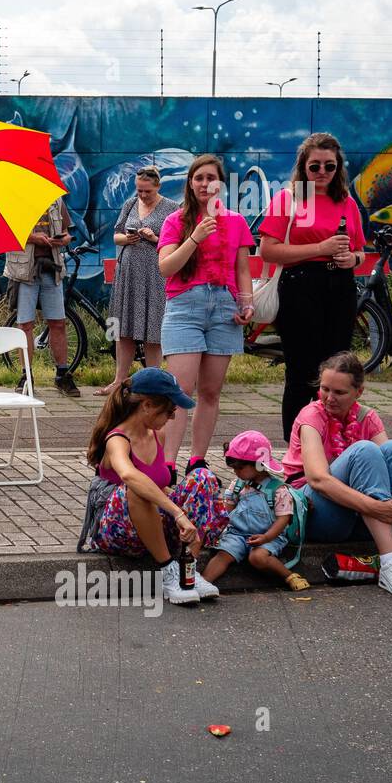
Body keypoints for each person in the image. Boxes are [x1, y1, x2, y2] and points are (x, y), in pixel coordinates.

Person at [281, 351, 392, 602]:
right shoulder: (311, 415)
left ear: (358, 392)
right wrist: (376, 507)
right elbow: (317, 479)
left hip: (363, 517)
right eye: (325, 389)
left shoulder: (366, 416)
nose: (329, 398)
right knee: (365, 451)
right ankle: (391, 562)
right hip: (319, 514)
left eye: (339, 393)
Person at [82, 368, 227, 604]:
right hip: (117, 531)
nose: (172, 417)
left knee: (203, 477)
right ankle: (167, 572)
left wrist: (183, 504)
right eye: (169, 411)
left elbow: (160, 487)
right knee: (137, 489)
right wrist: (177, 512)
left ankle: (187, 568)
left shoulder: (157, 435)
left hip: (152, 523)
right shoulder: (116, 439)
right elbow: (129, 476)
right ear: (147, 405)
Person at [258, 133, 367, 440]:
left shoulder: (346, 202)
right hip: (300, 287)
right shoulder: (288, 198)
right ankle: (297, 446)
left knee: (338, 368)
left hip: (340, 288)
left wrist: (353, 260)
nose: (321, 173)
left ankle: (333, 439)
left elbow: (360, 251)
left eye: (329, 167)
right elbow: (268, 250)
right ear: (303, 167)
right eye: (314, 166)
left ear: (338, 168)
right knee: (301, 371)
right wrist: (321, 247)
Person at [156, 153, 256, 479]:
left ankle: (197, 459)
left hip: (224, 310)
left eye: (211, 178)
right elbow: (165, 267)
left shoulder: (236, 222)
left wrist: (247, 304)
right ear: (190, 182)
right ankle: (168, 462)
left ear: (220, 184)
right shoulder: (175, 220)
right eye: (199, 178)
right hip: (185, 307)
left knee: (210, 391)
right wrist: (195, 237)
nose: (205, 184)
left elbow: (243, 270)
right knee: (179, 390)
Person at [100, 167, 179, 396]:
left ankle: (153, 382)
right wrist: (128, 238)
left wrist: (154, 238)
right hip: (128, 273)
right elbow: (116, 235)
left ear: (158, 187)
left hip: (154, 274)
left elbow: (175, 243)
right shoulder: (130, 204)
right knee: (123, 328)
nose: (142, 195)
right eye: (139, 190)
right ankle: (119, 380)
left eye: (147, 191)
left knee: (153, 329)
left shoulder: (172, 209)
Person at [201, 430, 309, 591]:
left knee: (257, 557)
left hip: (269, 535)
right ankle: (203, 583)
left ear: (259, 465)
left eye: (240, 468)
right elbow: (226, 510)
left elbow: (283, 519)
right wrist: (213, 529)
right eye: (233, 468)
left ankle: (288, 575)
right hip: (237, 533)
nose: (235, 472)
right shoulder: (238, 485)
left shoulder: (277, 490)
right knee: (223, 554)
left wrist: (266, 537)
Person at [5, 193, 79, 396]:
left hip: (51, 269)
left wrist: (64, 239)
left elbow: (66, 232)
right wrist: (32, 238)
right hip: (24, 271)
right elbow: (5, 233)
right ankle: (26, 376)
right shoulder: (13, 200)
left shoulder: (56, 200)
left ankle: (62, 374)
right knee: (25, 325)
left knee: (58, 322)